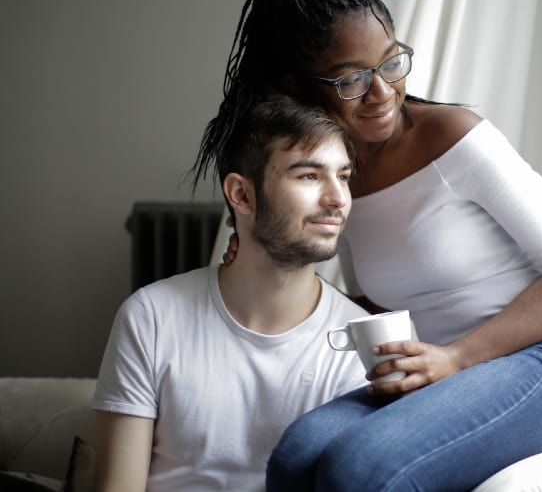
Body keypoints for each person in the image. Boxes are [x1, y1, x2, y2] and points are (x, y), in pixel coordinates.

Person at [211, 0, 542, 490]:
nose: (381, 91)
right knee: (297, 456)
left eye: (391, 61)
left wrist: (456, 358)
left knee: (358, 468)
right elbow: (377, 300)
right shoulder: (336, 172)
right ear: (299, 87)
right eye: (351, 78)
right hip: (437, 368)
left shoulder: (456, 138)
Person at [91, 94, 370, 492]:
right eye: (308, 175)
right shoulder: (151, 318)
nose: (337, 199)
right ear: (241, 195)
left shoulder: (360, 341)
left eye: (342, 176)